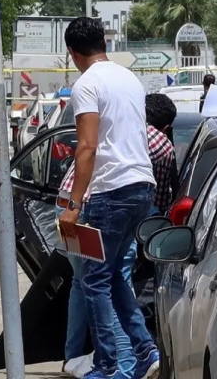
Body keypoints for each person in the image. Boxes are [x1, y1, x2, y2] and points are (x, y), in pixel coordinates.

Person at [57, 16, 160, 379]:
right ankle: (145, 349)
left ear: (72, 52)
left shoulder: (86, 85)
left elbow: (86, 147)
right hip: (141, 187)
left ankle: (108, 363)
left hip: (110, 191)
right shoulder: (129, 79)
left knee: (94, 280)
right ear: (104, 43)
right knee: (116, 276)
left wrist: (73, 205)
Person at [57, 94, 176, 378]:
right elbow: (157, 201)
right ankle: (130, 359)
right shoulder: (161, 144)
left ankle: (78, 359)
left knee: (85, 282)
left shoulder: (108, 128)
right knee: (111, 281)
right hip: (109, 210)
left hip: (70, 207)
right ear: (168, 126)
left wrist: (72, 208)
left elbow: (82, 156)